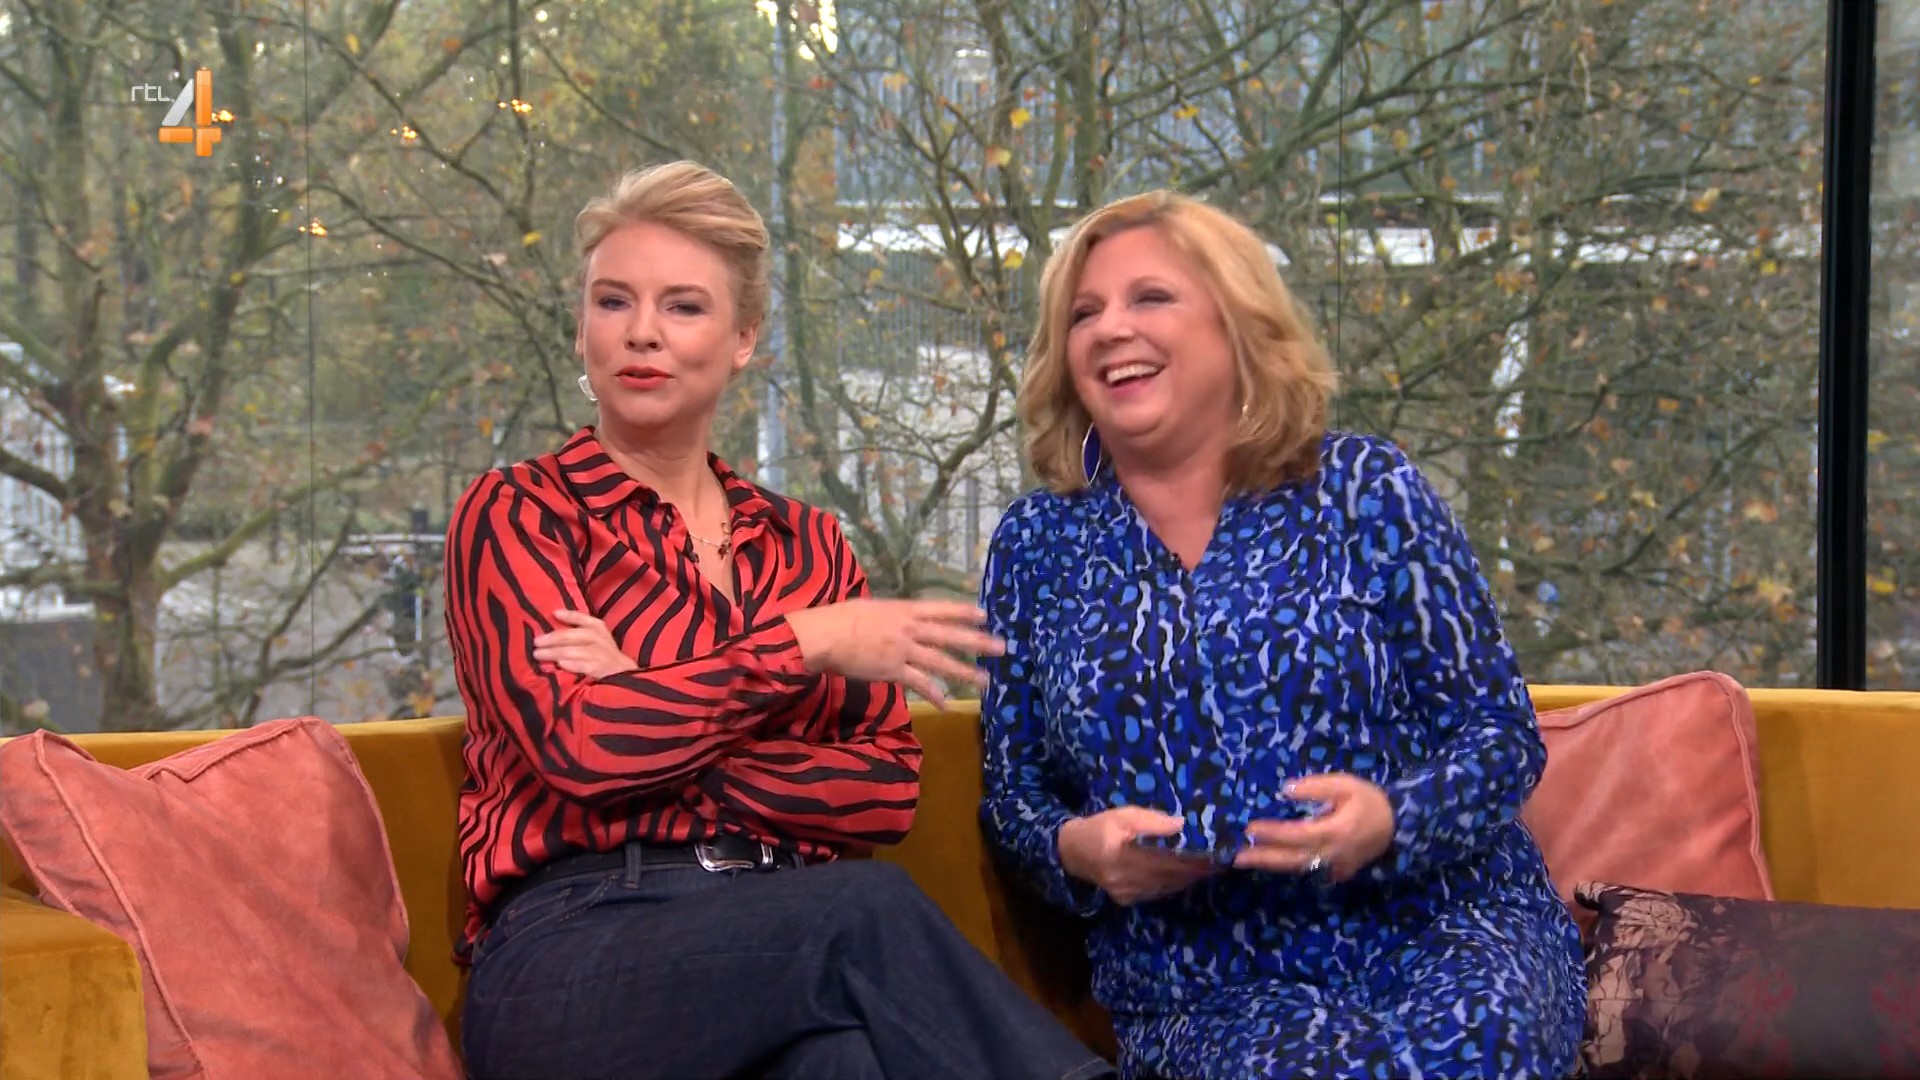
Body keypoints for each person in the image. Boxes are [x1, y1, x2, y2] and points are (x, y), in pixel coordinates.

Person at [444, 160, 1114, 1080]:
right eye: (613, 301)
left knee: (842, 1063)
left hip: (776, 934)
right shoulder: (521, 512)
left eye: (683, 306)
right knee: (863, 908)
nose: (641, 332)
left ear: (743, 337)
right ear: (583, 325)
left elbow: (883, 788)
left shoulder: (808, 547)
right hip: (574, 949)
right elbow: (585, 750)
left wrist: (648, 698)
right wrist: (806, 643)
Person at [977, 190, 1586, 1080]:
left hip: (1446, 927)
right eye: (1083, 313)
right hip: (1206, 979)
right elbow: (1012, 793)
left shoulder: (1366, 489)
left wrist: (1391, 819)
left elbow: (1500, 736)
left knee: (1478, 1044)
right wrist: (1081, 851)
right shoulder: (1037, 545)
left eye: (1151, 297)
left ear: (1238, 324)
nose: (1111, 329)